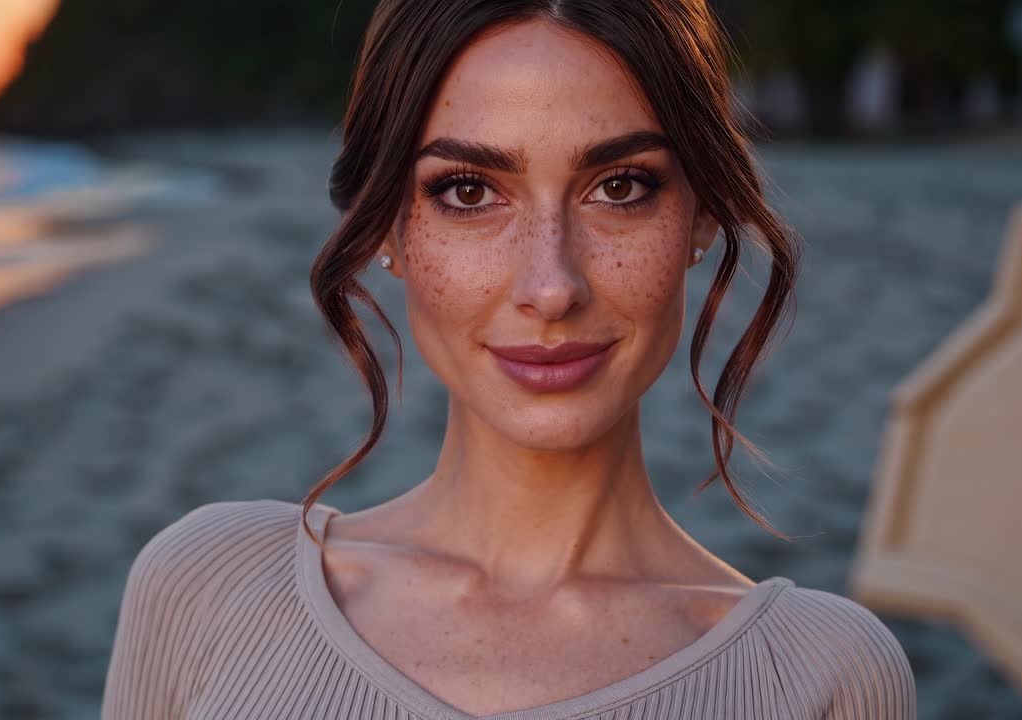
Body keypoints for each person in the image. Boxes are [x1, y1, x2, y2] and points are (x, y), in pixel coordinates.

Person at [101, 1, 918, 718]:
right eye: (468, 192)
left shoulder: (821, 676)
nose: (551, 286)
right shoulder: (210, 584)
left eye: (621, 186)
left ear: (702, 214)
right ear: (386, 226)